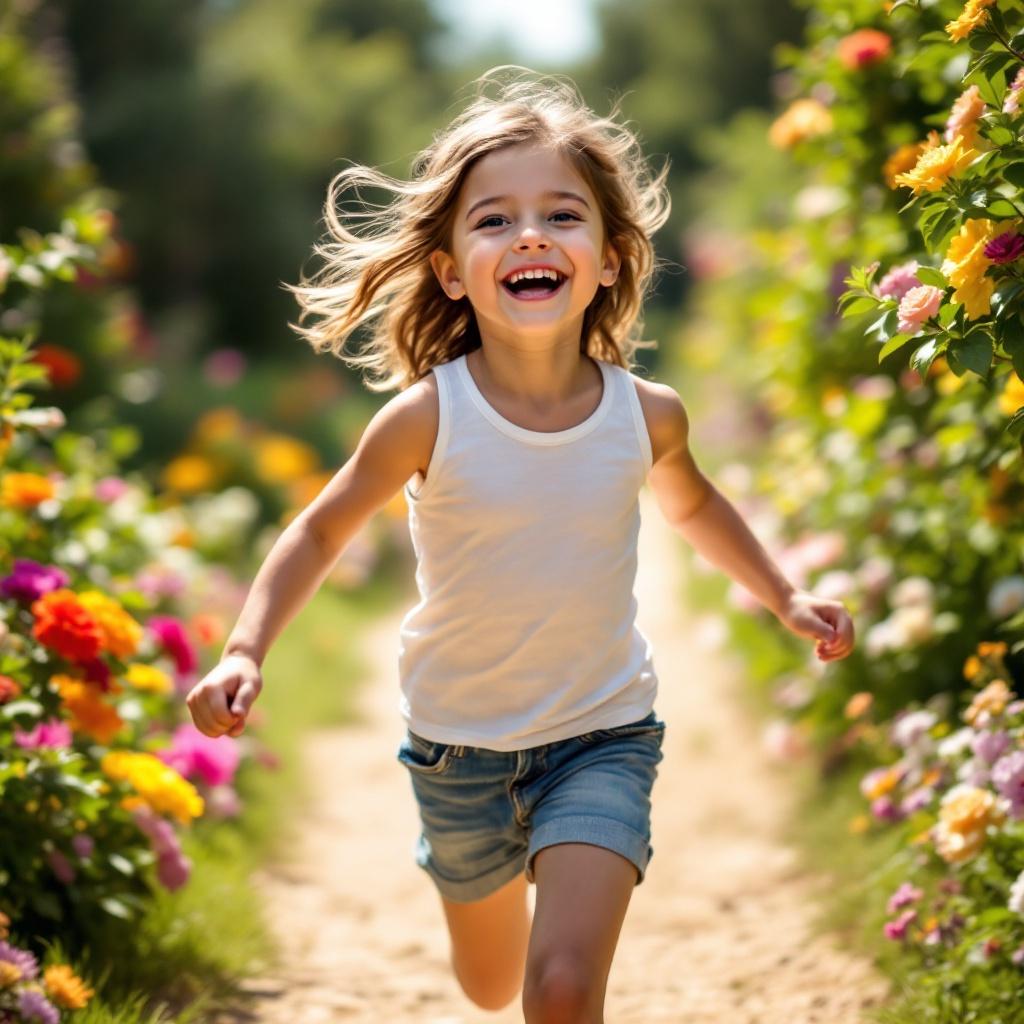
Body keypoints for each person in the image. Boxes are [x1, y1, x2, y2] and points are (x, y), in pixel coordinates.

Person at [186, 66, 855, 1023]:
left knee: (562, 988)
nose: (530, 234)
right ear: (452, 269)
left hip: (604, 735)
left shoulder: (646, 415)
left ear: (612, 259)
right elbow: (322, 526)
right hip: (459, 749)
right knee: (490, 984)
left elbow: (697, 508)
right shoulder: (427, 419)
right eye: (494, 219)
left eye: (562, 215)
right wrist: (245, 646)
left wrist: (785, 597)